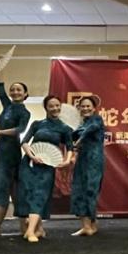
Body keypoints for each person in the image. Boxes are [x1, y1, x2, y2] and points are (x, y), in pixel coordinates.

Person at [0, 58, 31, 238]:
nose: (15, 92)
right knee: (7, 190)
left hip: (11, 153)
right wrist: (0, 65)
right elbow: (0, 87)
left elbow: (20, 129)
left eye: (19, 90)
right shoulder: (7, 106)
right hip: (1, 151)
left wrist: (1, 132)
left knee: (13, 190)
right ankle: (2, 228)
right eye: (13, 89)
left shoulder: (24, 112)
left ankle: (6, 227)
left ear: (25, 94)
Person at [17, 95, 73, 242]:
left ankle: (30, 231)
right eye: (51, 106)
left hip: (47, 167)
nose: (55, 108)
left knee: (40, 195)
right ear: (46, 108)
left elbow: (70, 147)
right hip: (29, 163)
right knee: (27, 194)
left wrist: (67, 160)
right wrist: (32, 155)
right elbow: (24, 142)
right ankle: (39, 229)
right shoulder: (37, 124)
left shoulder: (65, 128)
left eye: (57, 105)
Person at [70, 96, 105, 236]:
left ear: (94, 108)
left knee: (91, 190)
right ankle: (87, 226)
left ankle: (91, 224)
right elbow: (71, 137)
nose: (85, 108)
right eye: (83, 106)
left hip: (94, 160)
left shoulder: (97, 119)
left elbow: (90, 129)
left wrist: (79, 140)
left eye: (88, 106)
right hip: (82, 160)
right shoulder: (80, 124)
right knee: (79, 189)